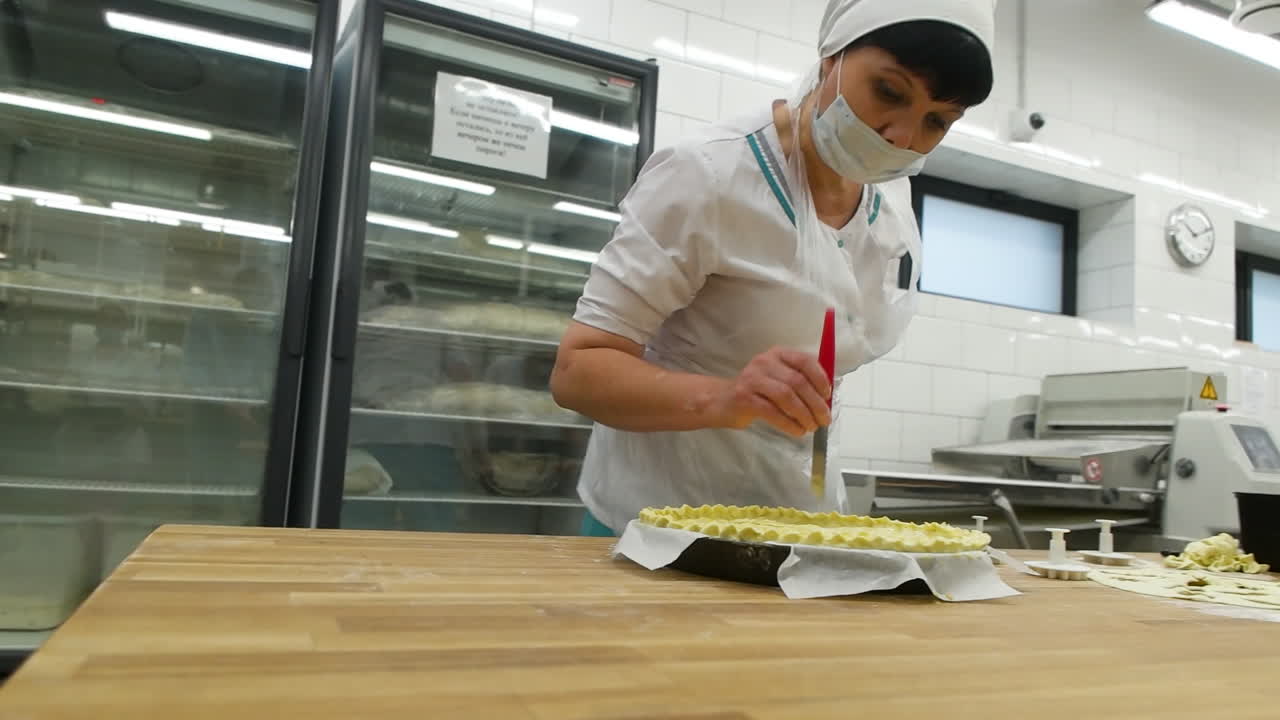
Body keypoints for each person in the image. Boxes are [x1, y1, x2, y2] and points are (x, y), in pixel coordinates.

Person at [551, 0, 996, 535]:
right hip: (657, 528)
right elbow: (579, 371)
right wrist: (727, 398)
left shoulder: (892, 205)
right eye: (889, 91)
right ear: (832, 54)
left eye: (937, 121)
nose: (900, 136)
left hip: (797, 528)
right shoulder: (710, 174)